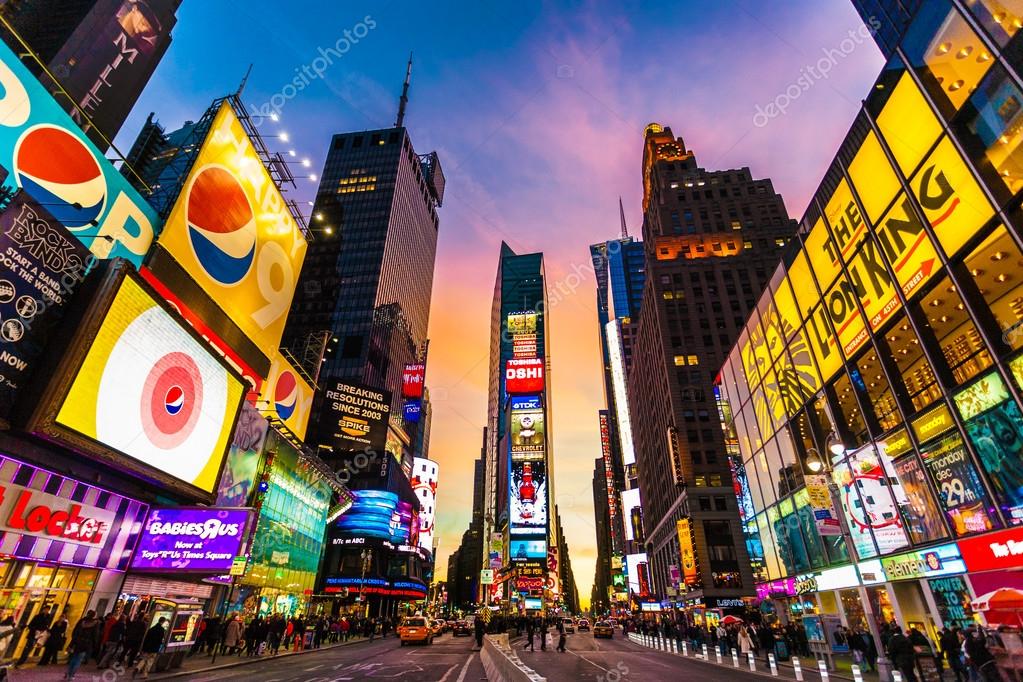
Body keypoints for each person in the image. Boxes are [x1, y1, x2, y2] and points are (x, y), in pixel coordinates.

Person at [66, 610, 101, 680]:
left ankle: (69, 673)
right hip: (86, 643)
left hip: (77, 641)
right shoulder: (95, 623)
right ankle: (71, 675)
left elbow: (75, 631)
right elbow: (95, 635)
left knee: (74, 657)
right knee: (78, 659)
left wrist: (74, 640)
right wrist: (95, 644)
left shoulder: (82, 621)